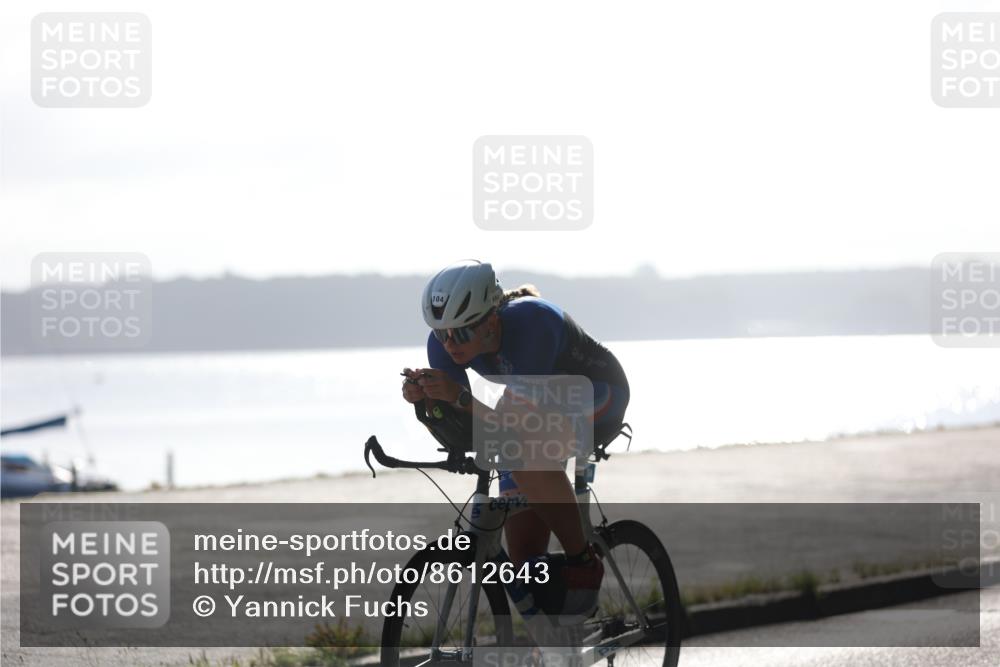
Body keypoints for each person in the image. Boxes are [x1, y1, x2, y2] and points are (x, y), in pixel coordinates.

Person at [401, 259, 630, 618]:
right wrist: (430, 404)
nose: (448, 343)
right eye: (440, 332)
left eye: (460, 333)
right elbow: (466, 428)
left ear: (490, 320)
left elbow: (520, 420)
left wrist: (458, 397)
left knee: (526, 455)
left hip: (596, 396)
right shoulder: (444, 343)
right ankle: (552, 641)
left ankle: (583, 562)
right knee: (524, 563)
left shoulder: (531, 322)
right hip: (536, 410)